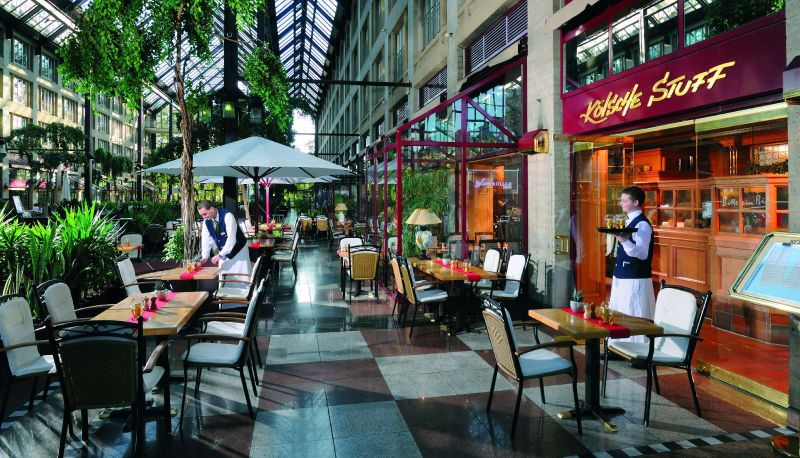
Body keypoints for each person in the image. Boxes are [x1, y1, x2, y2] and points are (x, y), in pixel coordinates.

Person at [610, 185, 655, 343]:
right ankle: (618, 347)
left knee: (634, 313)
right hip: (621, 275)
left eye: (624, 201)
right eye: (621, 200)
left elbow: (643, 254)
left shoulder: (642, 224)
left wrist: (623, 240)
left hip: (635, 277)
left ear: (636, 202)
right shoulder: (627, 221)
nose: (621, 203)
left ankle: (637, 350)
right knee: (620, 311)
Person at [197, 200, 252, 301]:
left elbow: (231, 240)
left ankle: (244, 301)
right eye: (202, 215)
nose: (203, 217)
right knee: (223, 276)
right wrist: (205, 256)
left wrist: (219, 255)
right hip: (224, 252)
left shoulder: (227, 216)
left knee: (242, 277)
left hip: (239, 251)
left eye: (205, 214)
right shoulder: (206, 221)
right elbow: (206, 241)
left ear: (212, 209)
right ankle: (226, 303)